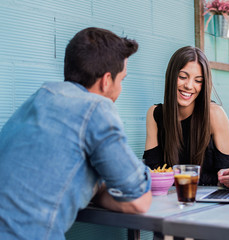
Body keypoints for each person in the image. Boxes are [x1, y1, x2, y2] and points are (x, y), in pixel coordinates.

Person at [0, 27, 152, 240]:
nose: (120, 88)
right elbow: (139, 196)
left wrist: (96, 187)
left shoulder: (40, 96)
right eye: (122, 80)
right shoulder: (96, 107)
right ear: (106, 80)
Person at [143, 46, 229, 189]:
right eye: (183, 77)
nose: (189, 86)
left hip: (211, 203)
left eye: (198, 80)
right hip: (171, 201)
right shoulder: (155, 115)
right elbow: (153, 172)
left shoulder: (214, 114)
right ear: (171, 76)